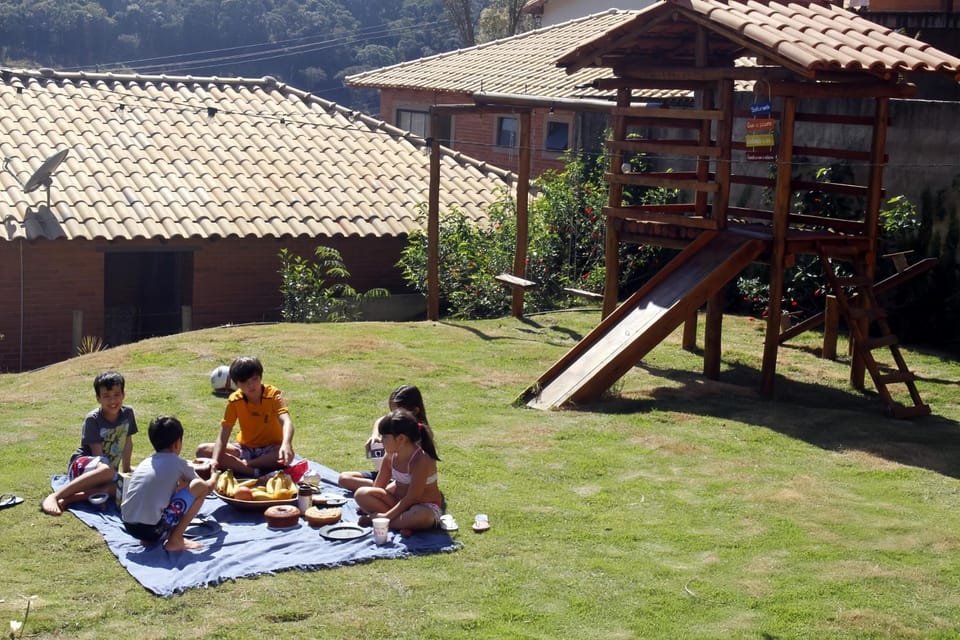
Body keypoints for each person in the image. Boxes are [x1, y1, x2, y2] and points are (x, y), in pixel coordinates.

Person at [41, 371, 137, 516]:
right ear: (98, 398)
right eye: (106, 396)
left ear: (123, 395)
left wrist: (127, 468)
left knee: (121, 487)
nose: (112, 401)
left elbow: (128, 442)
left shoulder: (127, 413)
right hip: (83, 466)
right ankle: (54, 496)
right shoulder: (93, 419)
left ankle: (69, 499)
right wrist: (110, 475)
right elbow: (98, 455)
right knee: (108, 472)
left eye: (117, 395)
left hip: (106, 471)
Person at [122, 416, 220, 552]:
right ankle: (175, 540)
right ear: (177, 443)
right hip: (153, 530)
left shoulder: (146, 462)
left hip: (129, 526)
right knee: (199, 486)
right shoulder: (179, 464)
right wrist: (215, 475)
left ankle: (149, 538)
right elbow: (206, 488)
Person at [195, 356, 295, 476]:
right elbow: (223, 434)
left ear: (261, 377)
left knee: (284, 454)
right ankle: (253, 471)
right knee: (202, 451)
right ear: (236, 384)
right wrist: (215, 461)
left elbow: (287, 422)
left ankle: (246, 465)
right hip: (244, 448)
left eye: (254, 379)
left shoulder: (273, 395)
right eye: (244, 382)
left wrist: (286, 444)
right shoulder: (235, 400)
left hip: (271, 449)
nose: (251, 385)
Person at [354, 408, 443, 536]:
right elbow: (378, 487)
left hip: (423, 507)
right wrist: (370, 500)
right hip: (397, 504)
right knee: (361, 493)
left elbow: (413, 498)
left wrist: (385, 517)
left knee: (420, 516)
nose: (381, 440)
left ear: (401, 439)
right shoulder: (390, 456)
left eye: (384, 437)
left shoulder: (421, 459)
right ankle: (402, 524)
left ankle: (384, 522)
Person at [338, 384, 428, 492]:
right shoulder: (395, 422)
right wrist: (374, 436)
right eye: (392, 412)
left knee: (371, 493)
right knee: (344, 478)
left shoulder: (419, 435)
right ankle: (381, 488)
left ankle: (384, 489)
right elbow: (380, 420)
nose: (393, 415)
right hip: (386, 473)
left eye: (397, 412)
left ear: (415, 411)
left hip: (402, 480)